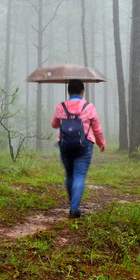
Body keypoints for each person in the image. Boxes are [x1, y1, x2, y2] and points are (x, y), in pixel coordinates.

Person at [51, 79, 105, 218]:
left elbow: (54, 124)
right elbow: (97, 128)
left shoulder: (61, 106)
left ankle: (73, 205)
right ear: (82, 91)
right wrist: (101, 143)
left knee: (70, 175)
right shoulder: (88, 106)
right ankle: (74, 208)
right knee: (79, 176)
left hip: (65, 145)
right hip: (84, 146)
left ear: (69, 91)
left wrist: (66, 119)